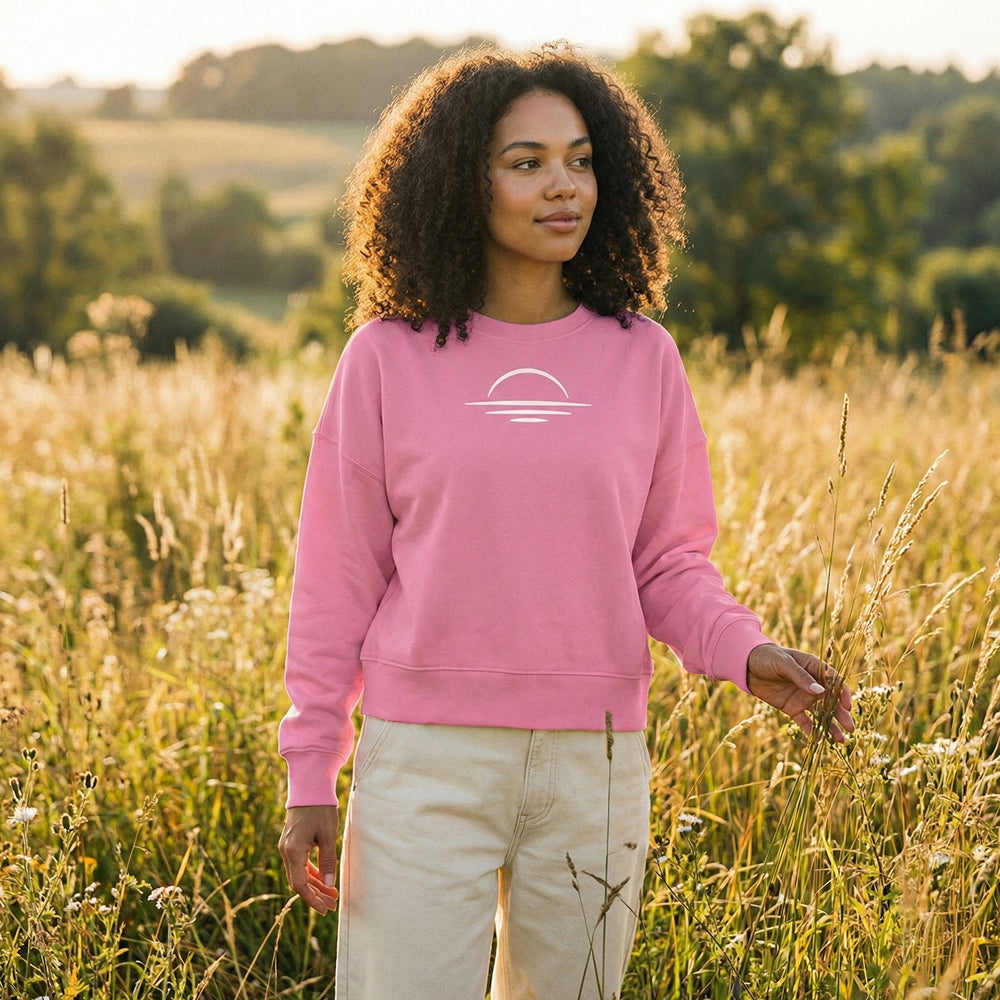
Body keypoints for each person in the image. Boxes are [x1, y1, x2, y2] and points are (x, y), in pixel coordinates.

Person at [277, 43, 854, 1000]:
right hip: (426, 761)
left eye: (582, 160)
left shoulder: (643, 358)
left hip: (597, 762)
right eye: (526, 162)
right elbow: (336, 582)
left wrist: (743, 652)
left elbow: (668, 563)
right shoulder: (385, 358)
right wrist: (311, 775)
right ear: (463, 182)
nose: (564, 188)